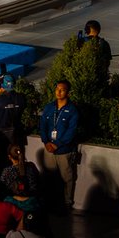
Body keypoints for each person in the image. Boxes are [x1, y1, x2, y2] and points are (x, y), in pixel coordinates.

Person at [38, 80, 80, 213]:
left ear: (68, 92)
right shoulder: (49, 107)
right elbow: (42, 125)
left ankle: (67, 203)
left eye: (62, 90)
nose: (59, 92)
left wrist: (57, 145)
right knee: (49, 176)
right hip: (49, 149)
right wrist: (46, 142)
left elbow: (71, 132)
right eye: (57, 89)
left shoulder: (72, 110)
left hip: (64, 151)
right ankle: (50, 201)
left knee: (67, 178)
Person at [0, 75, 27, 149]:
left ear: (2, 86)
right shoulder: (22, 97)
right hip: (18, 132)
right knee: (18, 155)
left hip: (2, 134)